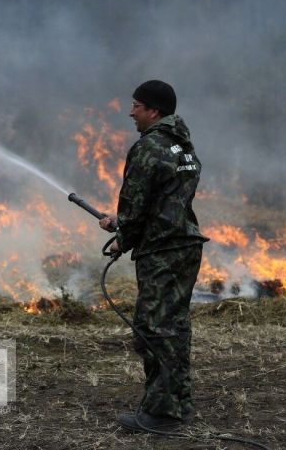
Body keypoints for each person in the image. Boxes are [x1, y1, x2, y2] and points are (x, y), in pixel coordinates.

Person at [98, 80, 209, 432]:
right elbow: (164, 201)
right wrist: (127, 224)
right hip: (184, 246)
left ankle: (160, 415)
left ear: (154, 110)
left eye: (136, 106)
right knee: (175, 328)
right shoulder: (184, 148)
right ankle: (179, 404)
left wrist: (122, 237)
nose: (131, 112)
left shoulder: (149, 147)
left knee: (153, 330)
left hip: (161, 251)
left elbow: (134, 203)